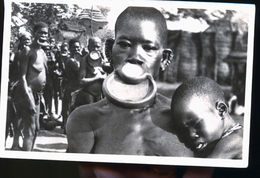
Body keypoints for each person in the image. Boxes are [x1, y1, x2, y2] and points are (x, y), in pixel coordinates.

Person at [66, 7, 192, 157]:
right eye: (124, 45)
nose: (135, 56)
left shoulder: (186, 122)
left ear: (164, 59)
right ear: (108, 51)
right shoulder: (86, 119)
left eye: (149, 48)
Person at [171, 76, 243, 159]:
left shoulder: (232, 142)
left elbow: (202, 171)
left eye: (196, 124)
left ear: (221, 110)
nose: (190, 135)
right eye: (183, 130)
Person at [11, 22, 49, 151]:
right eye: (40, 32)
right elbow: (22, 77)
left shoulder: (43, 52)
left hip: (38, 95)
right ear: (34, 33)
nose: (43, 35)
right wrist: (28, 98)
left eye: (45, 33)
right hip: (28, 93)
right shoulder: (27, 51)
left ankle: (29, 155)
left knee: (36, 129)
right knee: (29, 130)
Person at [72, 37, 107, 109]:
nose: (95, 49)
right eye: (93, 46)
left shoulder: (103, 60)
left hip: (100, 96)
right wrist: (98, 77)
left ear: (101, 47)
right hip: (88, 95)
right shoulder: (84, 60)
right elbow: (81, 81)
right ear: (88, 47)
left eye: (98, 47)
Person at [61, 38, 81, 131]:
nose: (76, 49)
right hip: (73, 87)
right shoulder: (71, 61)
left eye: (78, 47)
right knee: (72, 110)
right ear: (69, 49)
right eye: (74, 48)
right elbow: (79, 73)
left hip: (76, 87)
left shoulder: (78, 60)